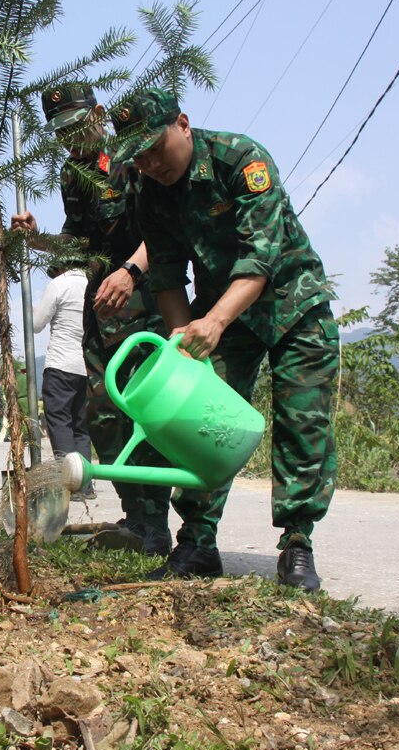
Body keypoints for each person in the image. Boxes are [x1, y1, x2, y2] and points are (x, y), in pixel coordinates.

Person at [111, 86, 339, 591]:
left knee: (302, 425)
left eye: (154, 147)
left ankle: (297, 545)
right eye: (138, 156)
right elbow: (168, 275)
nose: (149, 163)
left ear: (184, 125)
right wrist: (179, 339)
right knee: (198, 419)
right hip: (222, 317)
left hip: (291, 308)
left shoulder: (242, 160)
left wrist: (213, 321)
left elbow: (259, 262)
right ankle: (197, 541)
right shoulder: (149, 192)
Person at [9, 83, 177, 555]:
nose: (70, 139)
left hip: (144, 306)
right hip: (99, 311)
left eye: (77, 127)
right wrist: (40, 240)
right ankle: (136, 512)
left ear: (99, 114)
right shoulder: (72, 174)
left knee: (146, 412)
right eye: (60, 133)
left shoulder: (133, 158)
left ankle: (157, 520)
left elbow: (162, 231)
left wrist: (130, 270)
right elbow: (81, 243)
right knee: (101, 414)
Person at [33, 255, 93, 495]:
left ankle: (70, 484)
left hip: (61, 364)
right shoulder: (92, 283)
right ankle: (86, 484)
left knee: (59, 423)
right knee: (81, 427)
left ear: (60, 265)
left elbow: (36, 324)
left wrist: (33, 311)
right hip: (87, 366)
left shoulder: (59, 284)